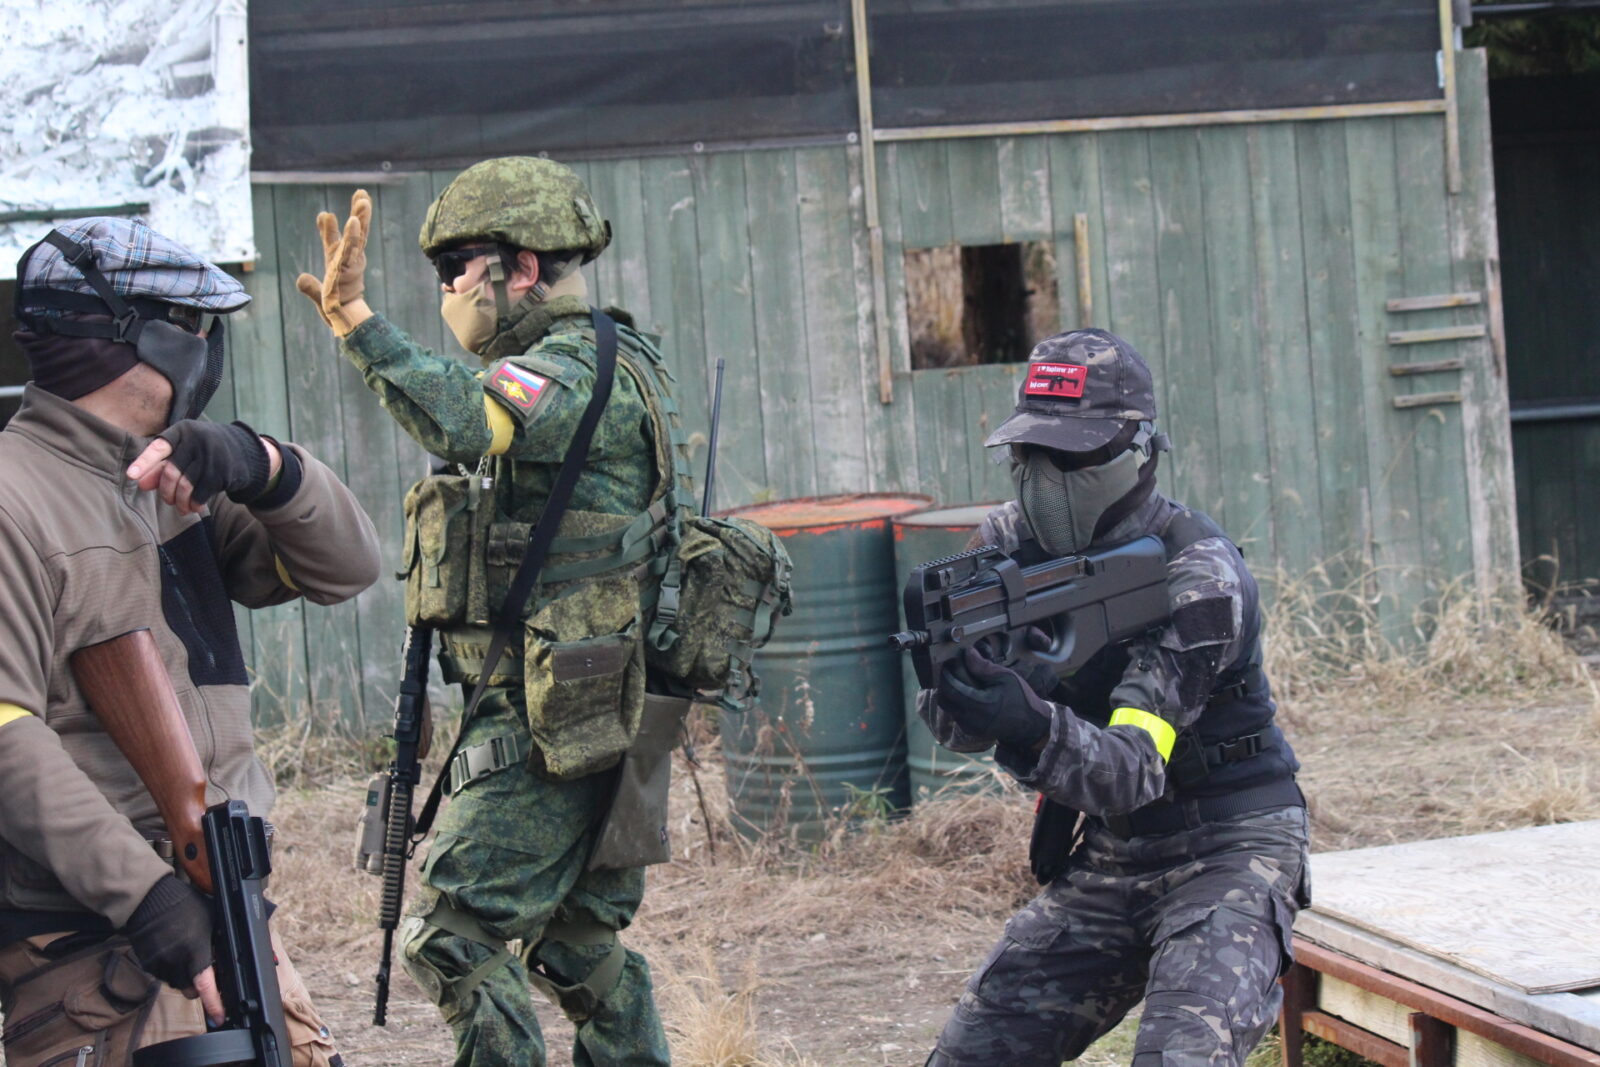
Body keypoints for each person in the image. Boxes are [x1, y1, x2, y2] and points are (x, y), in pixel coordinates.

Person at [295, 158, 676, 1067]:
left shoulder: (575, 372)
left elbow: (475, 419)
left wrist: (359, 322)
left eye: (456, 266)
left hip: (563, 716)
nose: (447, 288)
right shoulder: (608, 359)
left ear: (523, 268)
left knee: (452, 934)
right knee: (579, 946)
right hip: (590, 701)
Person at [0, 217, 381, 1066]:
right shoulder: (14, 498)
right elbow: (5, 733)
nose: (208, 349)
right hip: (98, 949)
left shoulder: (176, 478)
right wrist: (148, 898)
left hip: (227, 909)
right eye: (195, 326)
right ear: (135, 339)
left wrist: (265, 465)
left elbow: (348, 567)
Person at [920, 329, 1309, 1067]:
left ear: (1137, 451)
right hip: (1112, 851)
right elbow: (954, 728)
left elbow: (1132, 767)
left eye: (1070, 457)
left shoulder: (1199, 574)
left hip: (1231, 845)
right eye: (1029, 453)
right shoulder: (1004, 545)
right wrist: (965, 687)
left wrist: (1029, 723)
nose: (1043, 478)